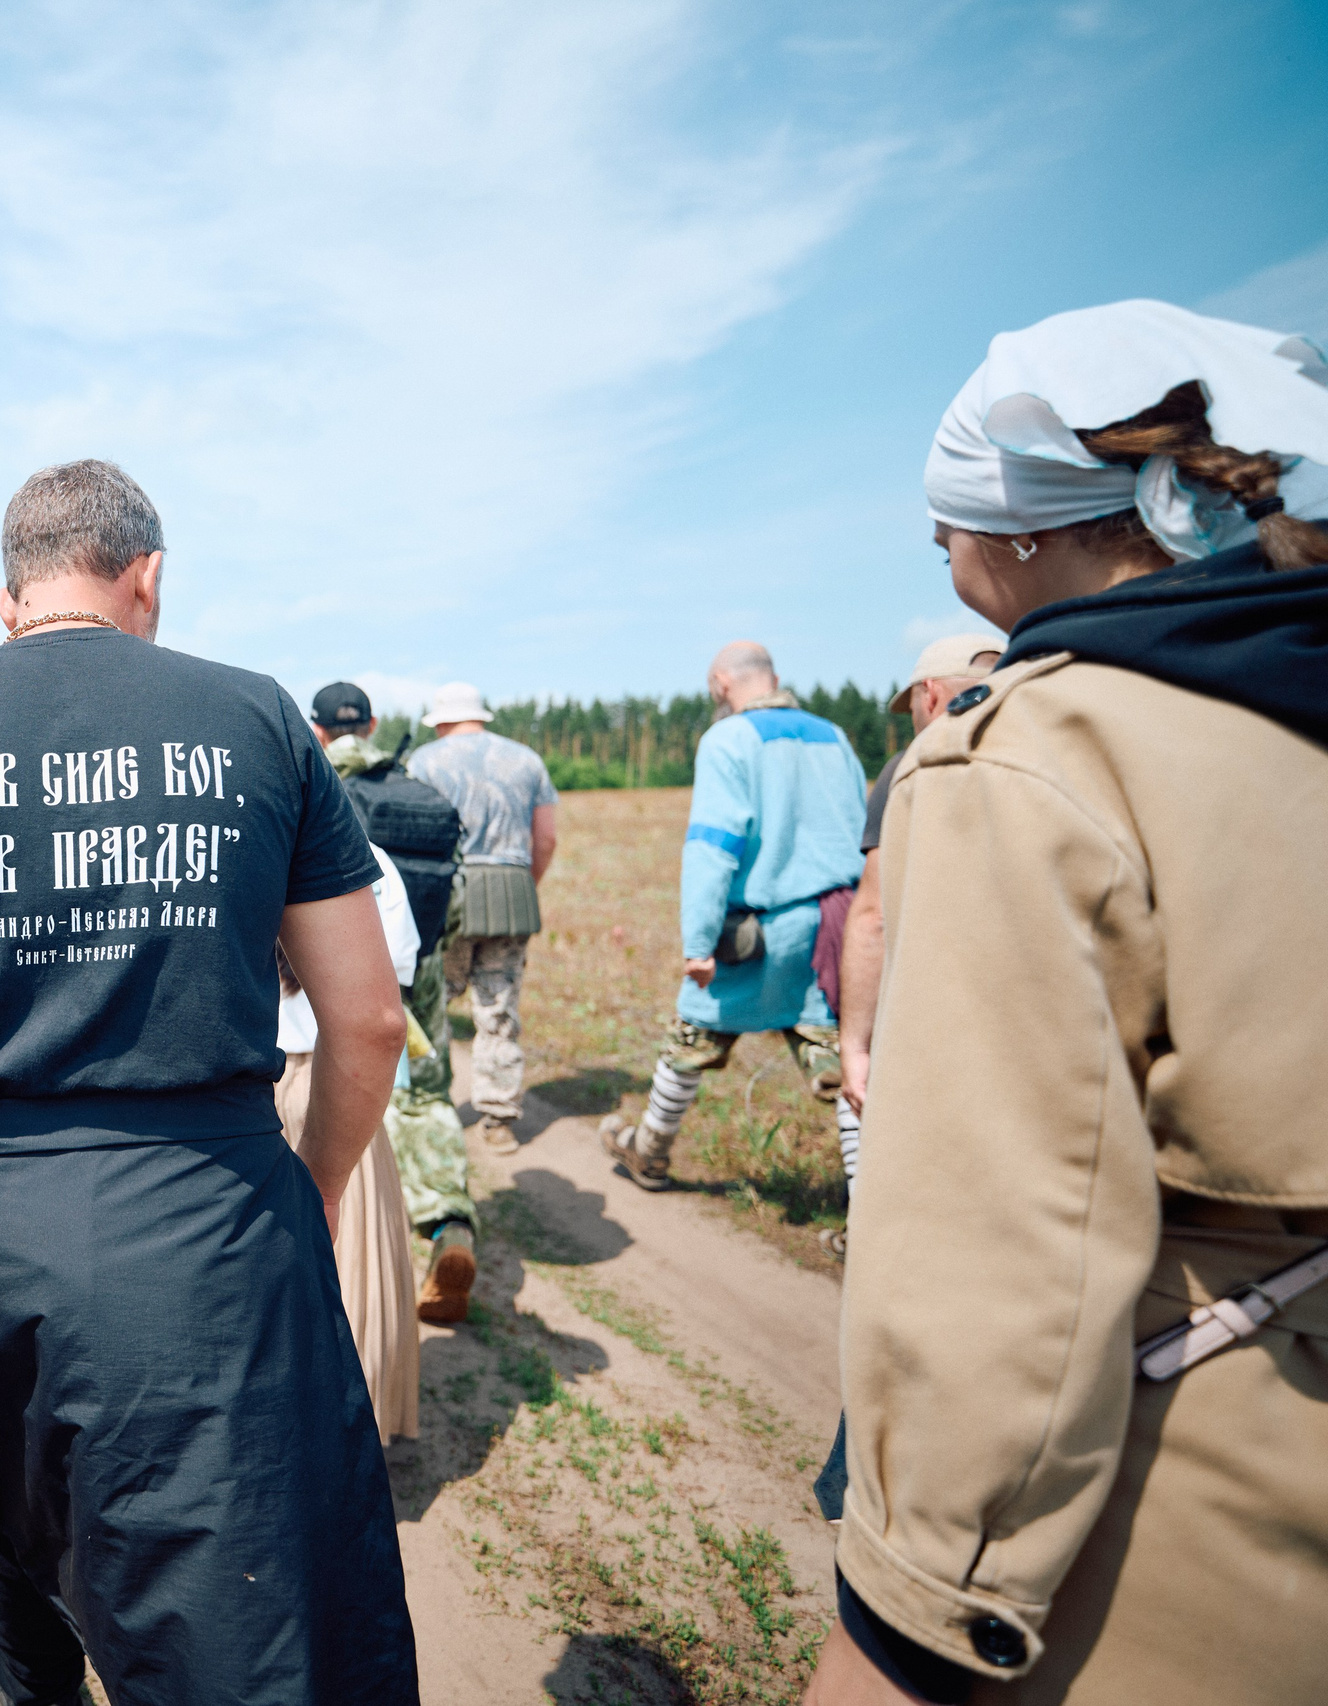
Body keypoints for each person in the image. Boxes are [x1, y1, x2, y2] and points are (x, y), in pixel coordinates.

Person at [0, 459, 418, 1705]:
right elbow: (369, 1017)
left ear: (7, 596)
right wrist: (315, 1182)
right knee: (242, 1610)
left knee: (26, 1522)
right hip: (206, 1226)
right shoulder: (255, 715)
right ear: (148, 577)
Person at [805, 301, 1328, 1706]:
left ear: (1032, 532)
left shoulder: (1037, 754)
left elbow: (1007, 1248)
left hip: (1183, 1539)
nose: (942, 551)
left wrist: (911, 1619)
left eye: (949, 522)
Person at [601, 643, 865, 1191]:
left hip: (763, 931)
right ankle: (867, 1217)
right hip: (841, 928)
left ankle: (650, 1150)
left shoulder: (728, 738)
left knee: (693, 1031)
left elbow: (713, 848)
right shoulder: (833, 735)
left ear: (722, 683)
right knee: (848, 1062)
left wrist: (698, 943)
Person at [308, 682, 482, 1324]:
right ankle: (448, 1227)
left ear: (317, 728)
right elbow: (455, 900)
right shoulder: (414, 787)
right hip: (421, 961)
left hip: (332, 969)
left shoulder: (312, 784)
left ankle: (352, 1270)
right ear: (374, 725)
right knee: (425, 1094)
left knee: (340, 1097)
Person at [275, 766, 425, 1442]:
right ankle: (348, 1435)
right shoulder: (376, 867)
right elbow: (386, 1001)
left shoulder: (230, 850)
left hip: (244, 1087)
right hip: (339, 1079)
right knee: (350, 1267)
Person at [831, 634, 998, 1176]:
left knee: (868, 1100)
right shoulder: (1056, 748)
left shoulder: (912, 768)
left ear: (929, 695)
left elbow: (875, 916)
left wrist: (855, 1044)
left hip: (933, 1001)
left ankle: (866, 1240)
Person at [407, 682, 558, 1157]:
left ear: (442, 720)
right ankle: (498, 1119)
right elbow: (547, 837)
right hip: (512, 892)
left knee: (435, 1001)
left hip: (449, 893)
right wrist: (523, 883)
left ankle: (430, 1101)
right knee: (499, 1010)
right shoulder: (527, 760)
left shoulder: (425, 762)